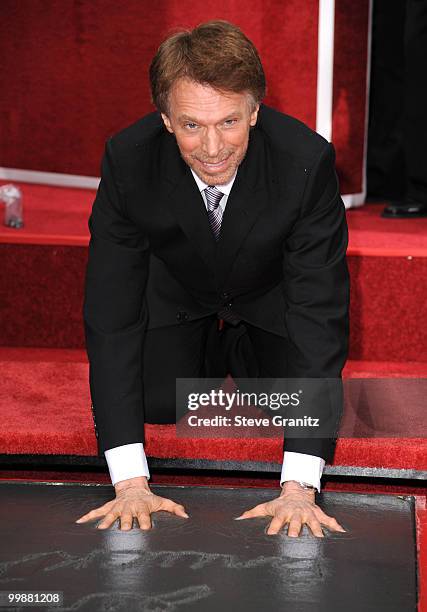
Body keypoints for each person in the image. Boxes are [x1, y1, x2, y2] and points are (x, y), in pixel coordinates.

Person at [76, 20, 349, 537]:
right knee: (157, 401)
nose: (212, 147)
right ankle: (203, 353)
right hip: (180, 289)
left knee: (286, 400)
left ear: (254, 112)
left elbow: (320, 312)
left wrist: (298, 486)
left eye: (228, 122)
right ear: (164, 119)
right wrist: (129, 481)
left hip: (270, 298)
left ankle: (242, 354)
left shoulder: (305, 162)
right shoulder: (128, 160)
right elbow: (110, 309)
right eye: (191, 126)